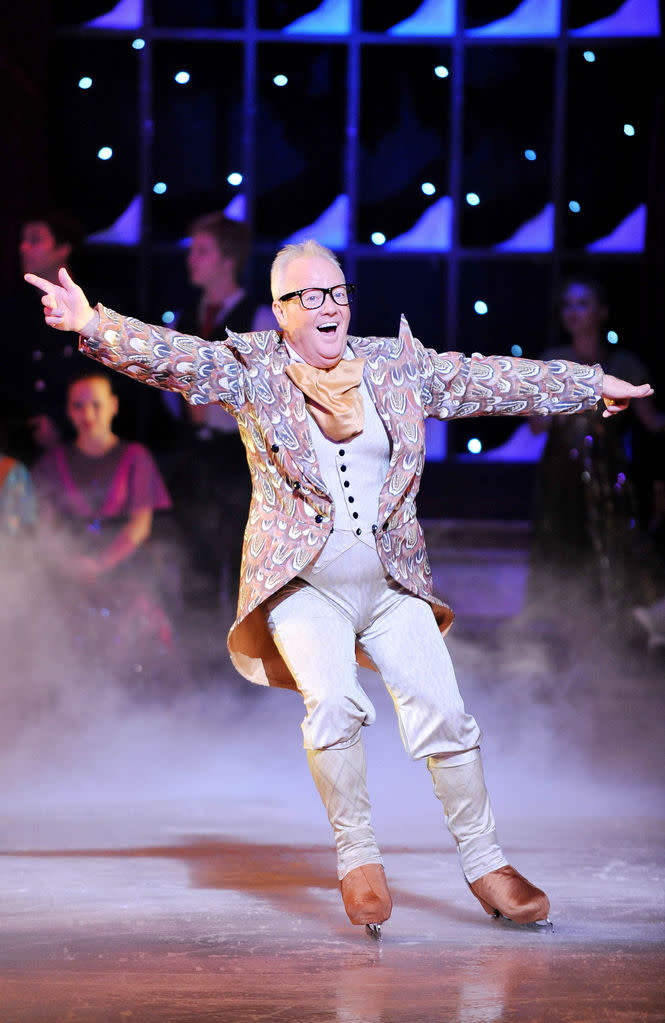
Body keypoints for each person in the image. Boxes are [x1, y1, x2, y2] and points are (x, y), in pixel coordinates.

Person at [25, 242, 652, 937]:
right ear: (279, 311)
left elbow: (485, 380)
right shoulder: (252, 368)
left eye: (337, 292)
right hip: (302, 584)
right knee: (332, 705)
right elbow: (175, 358)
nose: (329, 306)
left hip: (390, 581)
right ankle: (357, 859)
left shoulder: (393, 364)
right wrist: (92, 322)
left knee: (445, 715)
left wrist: (587, 383)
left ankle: (486, 862)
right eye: (309, 296)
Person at [32, 371, 175, 692]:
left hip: (126, 568)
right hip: (70, 571)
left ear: (112, 406)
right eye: (78, 406)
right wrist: (71, 564)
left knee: (137, 632)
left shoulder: (135, 456)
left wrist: (99, 564)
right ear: (69, 411)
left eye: (96, 404)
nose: (88, 414)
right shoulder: (52, 463)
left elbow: (139, 527)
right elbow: (44, 529)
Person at [530, 277, 664, 617]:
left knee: (610, 548)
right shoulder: (553, 362)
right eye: (567, 305)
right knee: (560, 547)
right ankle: (558, 625)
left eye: (583, 304)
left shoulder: (624, 365)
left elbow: (652, 423)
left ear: (602, 312)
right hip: (562, 476)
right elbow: (535, 425)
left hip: (609, 476)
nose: (573, 312)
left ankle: (612, 629)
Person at [162, 214, 275, 610]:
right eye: (193, 251)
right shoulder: (184, 320)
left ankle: (245, 664)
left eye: (202, 251)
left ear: (228, 260)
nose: (192, 259)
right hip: (194, 458)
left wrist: (216, 411)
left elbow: (272, 396)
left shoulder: (258, 321)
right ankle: (197, 663)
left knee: (242, 569)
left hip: (238, 461)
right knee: (196, 566)